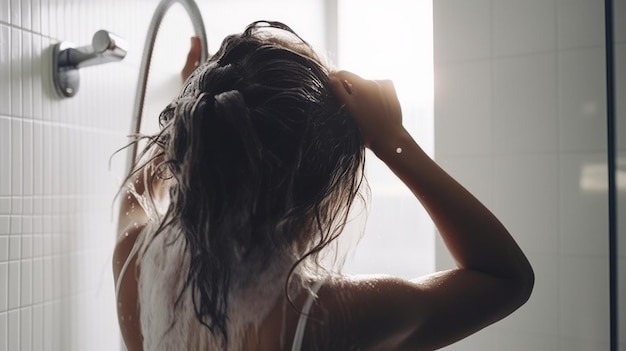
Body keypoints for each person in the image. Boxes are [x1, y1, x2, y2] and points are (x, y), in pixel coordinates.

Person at [113, 21, 534, 351]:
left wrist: (200, 118)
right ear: (316, 190)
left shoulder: (135, 260)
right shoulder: (322, 317)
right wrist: (394, 141)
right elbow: (504, 278)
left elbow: (138, 193)